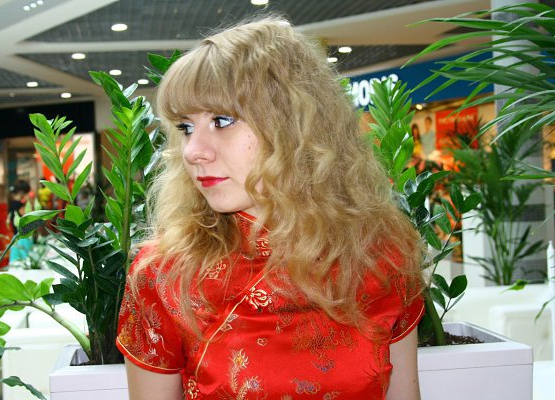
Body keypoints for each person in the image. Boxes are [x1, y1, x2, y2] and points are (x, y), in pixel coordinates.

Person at [117, 17, 425, 400]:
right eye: (185, 127)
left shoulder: (382, 254)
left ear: (292, 124)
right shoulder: (165, 275)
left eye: (221, 120)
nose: (193, 151)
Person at [8, 179, 33, 264]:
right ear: (22, 192)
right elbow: (30, 219)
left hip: (16, 237)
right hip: (22, 238)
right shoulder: (19, 205)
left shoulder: (12, 202)